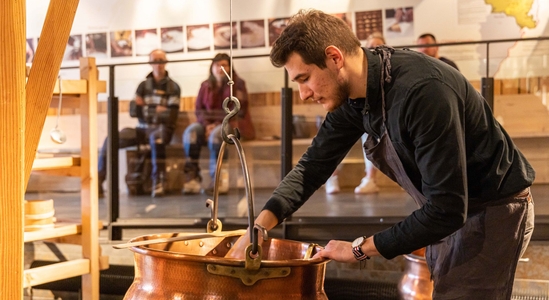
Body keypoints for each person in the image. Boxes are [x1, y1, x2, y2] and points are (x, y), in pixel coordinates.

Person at [228, 10, 535, 299]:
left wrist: (360, 248)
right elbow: (312, 167)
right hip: (451, 211)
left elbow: (447, 210)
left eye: (304, 78)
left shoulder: (422, 92)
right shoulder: (354, 97)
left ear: (334, 58)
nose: (304, 94)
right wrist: (257, 229)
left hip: (493, 210)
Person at [98, 49, 181, 198]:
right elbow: (133, 111)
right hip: (142, 129)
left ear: (166, 62)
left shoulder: (173, 87)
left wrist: (145, 107)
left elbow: (171, 116)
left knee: (157, 138)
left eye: (161, 60)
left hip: (162, 130)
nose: (158, 64)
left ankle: (158, 181)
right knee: (110, 138)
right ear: (150, 63)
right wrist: (156, 109)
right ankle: (98, 180)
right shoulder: (143, 86)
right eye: (155, 60)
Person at [182, 53, 255, 195]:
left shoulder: (237, 84)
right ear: (212, 67)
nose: (220, 68)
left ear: (230, 67)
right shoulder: (205, 85)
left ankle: (218, 180)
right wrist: (207, 124)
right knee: (191, 133)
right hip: (207, 125)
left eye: (224, 65)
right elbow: (199, 109)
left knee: (217, 135)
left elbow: (238, 109)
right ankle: (192, 177)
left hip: (232, 124)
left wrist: (216, 124)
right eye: (217, 65)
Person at [326, 32, 385, 194]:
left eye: (378, 46)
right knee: (337, 136)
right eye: (371, 46)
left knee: (371, 135)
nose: (375, 49)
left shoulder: (388, 70)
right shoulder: (352, 71)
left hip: (375, 121)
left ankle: (370, 179)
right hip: (352, 116)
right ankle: (332, 176)